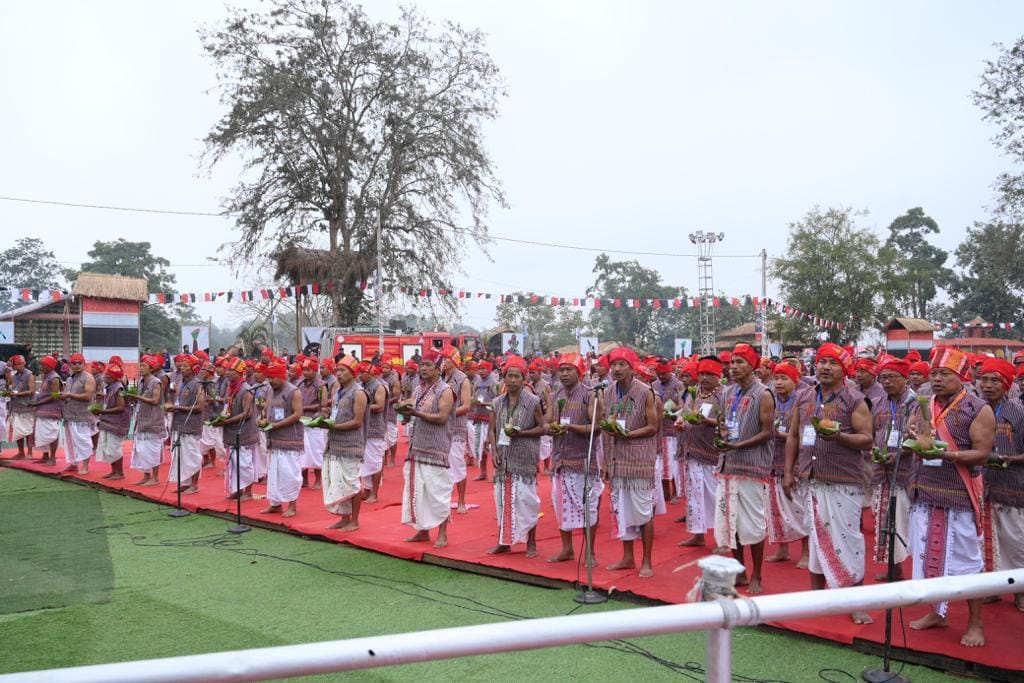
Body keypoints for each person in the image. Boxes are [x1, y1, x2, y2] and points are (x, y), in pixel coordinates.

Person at [905, 346, 994, 646]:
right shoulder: (924, 403)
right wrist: (913, 438)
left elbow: (982, 453)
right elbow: (915, 436)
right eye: (934, 373)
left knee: (967, 562)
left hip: (959, 496)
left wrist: (947, 455)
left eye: (945, 374)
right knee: (926, 557)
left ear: (962, 376)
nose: (937, 379)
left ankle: (976, 623)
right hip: (924, 492)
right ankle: (937, 613)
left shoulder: (978, 408)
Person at [784, 342, 875, 625]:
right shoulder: (803, 396)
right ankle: (817, 598)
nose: (825, 367)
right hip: (810, 478)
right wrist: (788, 472)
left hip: (843, 480)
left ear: (844, 369)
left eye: (833, 363)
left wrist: (839, 437)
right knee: (816, 539)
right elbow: (793, 436)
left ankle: (855, 603)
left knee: (849, 540)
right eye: (822, 361)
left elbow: (867, 439)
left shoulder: (854, 400)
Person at [713, 344, 775, 594]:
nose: (734, 367)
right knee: (733, 523)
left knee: (753, 523)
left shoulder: (764, 393)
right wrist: (723, 436)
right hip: (728, 464)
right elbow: (724, 423)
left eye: (740, 362)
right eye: (732, 362)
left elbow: (767, 432)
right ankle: (740, 571)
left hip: (751, 466)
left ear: (752, 366)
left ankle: (757, 574)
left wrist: (739, 444)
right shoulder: (728, 392)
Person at [601, 347, 659, 578]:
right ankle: (627, 557)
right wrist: (606, 462)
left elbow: (653, 427)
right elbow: (606, 428)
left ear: (631, 367)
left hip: (639, 459)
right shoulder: (608, 392)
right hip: (616, 460)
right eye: (613, 365)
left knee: (643, 511)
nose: (616, 369)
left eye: (622, 365)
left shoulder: (645, 391)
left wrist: (627, 435)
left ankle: (647, 560)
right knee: (621, 510)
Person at [546, 352, 603, 565]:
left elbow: (597, 428)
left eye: (569, 370)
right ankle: (567, 549)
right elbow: (546, 422)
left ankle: (590, 552)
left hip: (582, 460)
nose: (564, 374)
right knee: (561, 506)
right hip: (560, 460)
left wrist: (570, 427)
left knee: (588, 506)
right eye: (561, 370)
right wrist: (551, 428)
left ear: (579, 373)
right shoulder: (554, 395)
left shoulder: (590, 395)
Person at [979, 357, 1024, 611]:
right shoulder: (975, 408)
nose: (987, 385)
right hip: (982, 485)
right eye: (984, 380)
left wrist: (1011, 458)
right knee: (988, 542)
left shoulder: (1018, 412)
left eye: (994, 380)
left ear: (1007, 385)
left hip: (1012, 486)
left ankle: (1020, 591)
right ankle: (993, 587)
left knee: (1016, 542)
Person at [488, 355, 544, 556]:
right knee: (501, 501)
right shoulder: (497, 402)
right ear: (504, 378)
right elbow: (492, 430)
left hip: (524, 457)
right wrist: (494, 451)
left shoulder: (533, 401)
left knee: (527, 501)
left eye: (516, 376)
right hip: (503, 457)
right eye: (509, 376)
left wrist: (522, 433)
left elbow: (542, 428)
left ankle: (531, 542)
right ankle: (504, 541)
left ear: (523, 379)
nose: (512, 380)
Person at [399, 350, 455, 548]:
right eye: (421, 365)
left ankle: (442, 533)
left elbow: (442, 417)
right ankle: (422, 531)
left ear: (438, 369)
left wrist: (416, 413)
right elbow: (414, 414)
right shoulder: (417, 389)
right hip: (417, 446)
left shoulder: (445, 390)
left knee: (438, 491)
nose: (423, 369)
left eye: (428, 365)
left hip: (436, 447)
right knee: (419, 491)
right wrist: (406, 415)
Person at [868, 357, 916, 581]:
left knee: (904, 523)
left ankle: (907, 570)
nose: (886, 382)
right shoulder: (877, 402)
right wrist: (873, 450)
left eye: (892, 377)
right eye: (883, 378)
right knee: (886, 520)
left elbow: (921, 437)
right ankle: (894, 569)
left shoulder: (916, 403)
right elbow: (871, 432)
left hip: (908, 473)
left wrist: (899, 454)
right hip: (882, 472)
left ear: (905, 379)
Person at [765, 361, 811, 566]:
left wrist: (782, 435)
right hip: (772, 461)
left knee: (799, 508)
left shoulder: (803, 401)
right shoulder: (771, 399)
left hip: (795, 463)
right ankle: (782, 549)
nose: (778, 383)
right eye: (776, 378)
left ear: (795, 380)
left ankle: (806, 552)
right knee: (775, 508)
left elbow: (805, 433)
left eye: (784, 378)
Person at [677, 356, 725, 549]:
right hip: (692, 450)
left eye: (708, 374)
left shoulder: (724, 394)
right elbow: (686, 411)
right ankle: (698, 535)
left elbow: (727, 422)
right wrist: (681, 421)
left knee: (716, 497)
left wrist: (706, 421)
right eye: (701, 373)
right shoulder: (695, 391)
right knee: (695, 495)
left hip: (712, 453)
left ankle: (723, 539)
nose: (704, 378)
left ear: (717, 375)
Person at [324, 356, 368, 530]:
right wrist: (326, 418)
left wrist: (334, 426)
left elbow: (357, 421)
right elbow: (336, 415)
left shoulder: (359, 393)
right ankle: (344, 518)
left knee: (352, 483)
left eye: (342, 370)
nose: (338, 374)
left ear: (353, 373)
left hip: (351, 445)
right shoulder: (337, 392)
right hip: (335, 443)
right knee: (339, 483)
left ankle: (355, 520)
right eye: (337, 370)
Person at [259, 362, 304, 518]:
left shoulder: (294, 391)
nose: (271, 381)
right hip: (273, 439)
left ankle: (292, 506)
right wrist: (262, 419)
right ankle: (275, 504)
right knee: (274, 474)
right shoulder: (270, 390)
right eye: (269, 378)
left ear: (282, 376)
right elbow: (266, 409)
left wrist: (276, 425)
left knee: (289, 474)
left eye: (273, 378)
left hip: (289, 440)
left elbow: (297, 414)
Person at [164, 354, 205, 493]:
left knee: (192, 456)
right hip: (179, 423)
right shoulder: (181, 383)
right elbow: (177, 401)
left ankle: (194, 485)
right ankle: (185, 483)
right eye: (181, 365)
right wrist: (172, 405)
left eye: (186, 365)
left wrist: (177, 408)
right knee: (180, 456)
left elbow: (200, 407)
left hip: (191, 425)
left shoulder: (198, 384)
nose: (182, 368)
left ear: (194, 368)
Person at [220, 358, 258, 501]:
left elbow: (247, 413)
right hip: (232, 431)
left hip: (244, 432)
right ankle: (237, 490)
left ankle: (248, 491)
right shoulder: (230, 388)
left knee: (245, 464)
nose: (227, 373)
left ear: (240, 372)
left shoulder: (246, 389)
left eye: (231, 370)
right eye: (227, 370)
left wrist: (227, 421)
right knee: (234, 463)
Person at [440, 346, 472, 514]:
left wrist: (447, 414)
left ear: (454, 360)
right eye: (442, 359)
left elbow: (466, 406)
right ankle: (444, 499)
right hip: (440, 427)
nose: (442, 362)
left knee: (457, 463)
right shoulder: (440, 377)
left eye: (446, 359)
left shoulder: (463, 380)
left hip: (456, 427)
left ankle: (461, 501)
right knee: (441, 465)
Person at [129, 355, 165, 486]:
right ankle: (146, 476)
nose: (141, 368)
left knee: (152, 449)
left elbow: (155, 400)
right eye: (141, 365)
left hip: (153, 420)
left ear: (151, 368)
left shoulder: (156, 382)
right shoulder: (141, 381)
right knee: (141, 449)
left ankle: (155, 477)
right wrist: (132, 399)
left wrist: (137, 397)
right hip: (141, 419)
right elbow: (139, 400)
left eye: (144, 366)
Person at [652, 359, 685, 505]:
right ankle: (665, 494)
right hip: (659, 430)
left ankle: (676, 493)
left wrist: (670, 408)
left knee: (674, 464)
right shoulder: (654, 385)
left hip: (673, 429)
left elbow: (684, 405)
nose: (661, 377)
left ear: (670, 372)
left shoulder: (678, 385)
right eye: (659, 374)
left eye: (664, 374)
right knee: (662, 465)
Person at [60, 354, 97, 474]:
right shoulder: (70, 379)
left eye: (79, 363)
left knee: (83, 441)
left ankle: (85, 466)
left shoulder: (88, 378)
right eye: (74, 363)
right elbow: (66, 394)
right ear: (70, 365)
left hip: (82, 415)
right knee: (70, 442)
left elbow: (88, 396)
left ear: (84, 364)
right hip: (69, 415)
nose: (76, 365)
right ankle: (73, 464)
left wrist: (69, 395)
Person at [357, 361, 387, 503]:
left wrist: (361, 406)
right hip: (362, 429)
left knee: (375, 462)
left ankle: (374, 493)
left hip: (375, 430)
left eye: (362, 372)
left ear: (370, 373)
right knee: (364, 462)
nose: (359, 375)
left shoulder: (379, 387)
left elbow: (380, 406)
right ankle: (367, 490)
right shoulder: (360, 386)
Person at [94, 364, 129, 480]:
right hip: (108, 421)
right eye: (106, 375)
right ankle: (114, 471)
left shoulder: (119, 388)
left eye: (108, 376)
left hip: (116, 423)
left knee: (114, 447)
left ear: (115, 378)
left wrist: (103, 411)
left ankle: (119, 472)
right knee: (109, 447)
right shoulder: (110, 387)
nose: (105, 377)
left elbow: (121, 407)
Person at [298, 357, 327, 490]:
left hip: (315, 422)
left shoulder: (321, 385)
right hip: (301, 421)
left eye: (308, 370)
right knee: (302, 452)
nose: (305, 372)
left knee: (316, 451)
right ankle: (304, 480)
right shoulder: (300, 383)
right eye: (304, 370)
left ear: (315, 371)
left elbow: (323, 405)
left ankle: (318, 480)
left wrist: (305, 408)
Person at [29, 356, 62, 465]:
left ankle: (52, 458)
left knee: (51, 434)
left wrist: (38, 403)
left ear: (49, 366)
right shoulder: (46, 376)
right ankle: (45, 456)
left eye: (43, 365)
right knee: (42, 434)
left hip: (51, 411)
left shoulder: (54, 378)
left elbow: (55, 396)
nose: (41, 367)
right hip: (42, 409)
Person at [470, 360, 498, 481]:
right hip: (479, 418)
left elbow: (498, 401)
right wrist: (472, 402)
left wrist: (484, 403)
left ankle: (496, 473)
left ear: (489, 369)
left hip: (491, 418)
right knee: (481, 447)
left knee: (493, 447)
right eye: (479, 369)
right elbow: (473, 397)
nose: (481, 371)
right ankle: (483, 472)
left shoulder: (495, 383)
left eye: (483, 369)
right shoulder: (476, 383)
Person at [7, 355, 36, 459]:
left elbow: (32, 391)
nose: (18, 366)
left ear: (24, 363)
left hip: (26, 407)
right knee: (17, 431)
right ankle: (21, 452)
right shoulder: (15, 376)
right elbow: (12, 388)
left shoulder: (29, 375)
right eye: (16, 364)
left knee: (28, 431)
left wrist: (17, 394)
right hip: (15, 406)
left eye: (20, 364)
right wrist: (9, 393)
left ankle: (30, 452)